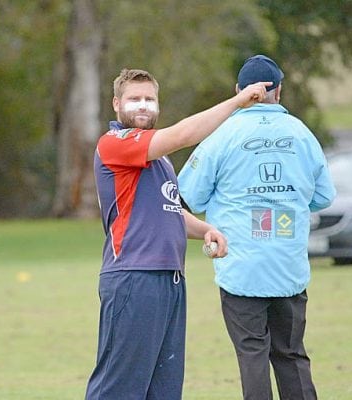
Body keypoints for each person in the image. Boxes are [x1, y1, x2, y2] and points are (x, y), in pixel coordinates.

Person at [85, 68, 271, 400]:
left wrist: (206, 229)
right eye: (134, 99)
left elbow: (169, 211)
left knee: (164, 389)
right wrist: (238, 102)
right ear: (116, 104)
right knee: (118, 389)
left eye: (149, 99)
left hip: (169, 280)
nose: (143, 105)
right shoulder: (115, 143)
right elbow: (183, 134)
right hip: (134, 277)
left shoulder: (160, 160)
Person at [177, 55, 337, 400]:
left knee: (252, 354)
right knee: (291, 354)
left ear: (238, 90)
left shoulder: (222, 135)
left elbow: (190, 194)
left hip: (241, 267)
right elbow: (324, 195)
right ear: (279, 91)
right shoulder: (301, 133)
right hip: (288, 267)